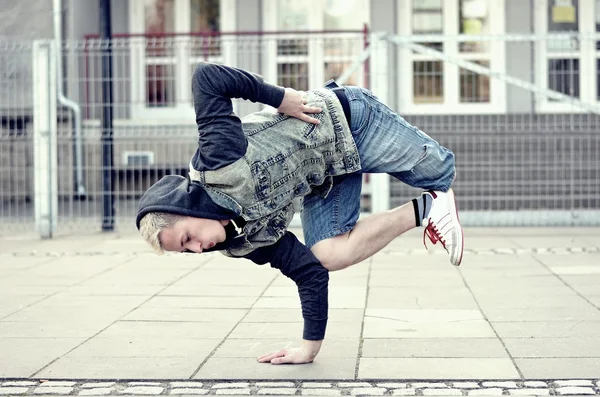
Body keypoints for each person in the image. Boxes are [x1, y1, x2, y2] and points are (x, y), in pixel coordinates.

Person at [136, 61, 464, 365]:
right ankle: (427, 210)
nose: (197, 248)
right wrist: (309, 349)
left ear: (186, 209)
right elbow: (309, 273)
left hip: (349, 121)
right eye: (187, 251)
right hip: (329, 176)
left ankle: (435, 192)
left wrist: (280, 98)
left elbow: (207, 78)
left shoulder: (218, 163)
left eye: (188, 237)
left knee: (441, 175)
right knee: (327, 255)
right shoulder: (243, 243)